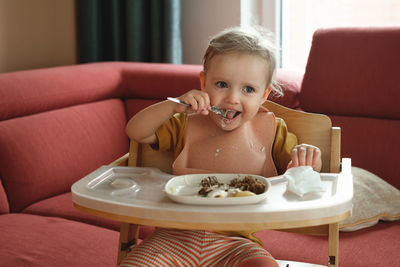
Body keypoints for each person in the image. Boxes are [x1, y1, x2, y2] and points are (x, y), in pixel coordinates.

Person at [123, 26, 321, 267]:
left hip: (236, 245)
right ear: (204, 82)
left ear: (264, 95)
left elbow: (298, 177)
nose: (232, 98)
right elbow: (135, 131)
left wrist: (307, 161)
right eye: (222, 84)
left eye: (248, 89)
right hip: (172, 239)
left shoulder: (273, 131)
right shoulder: (183, 124)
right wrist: (172, 107)